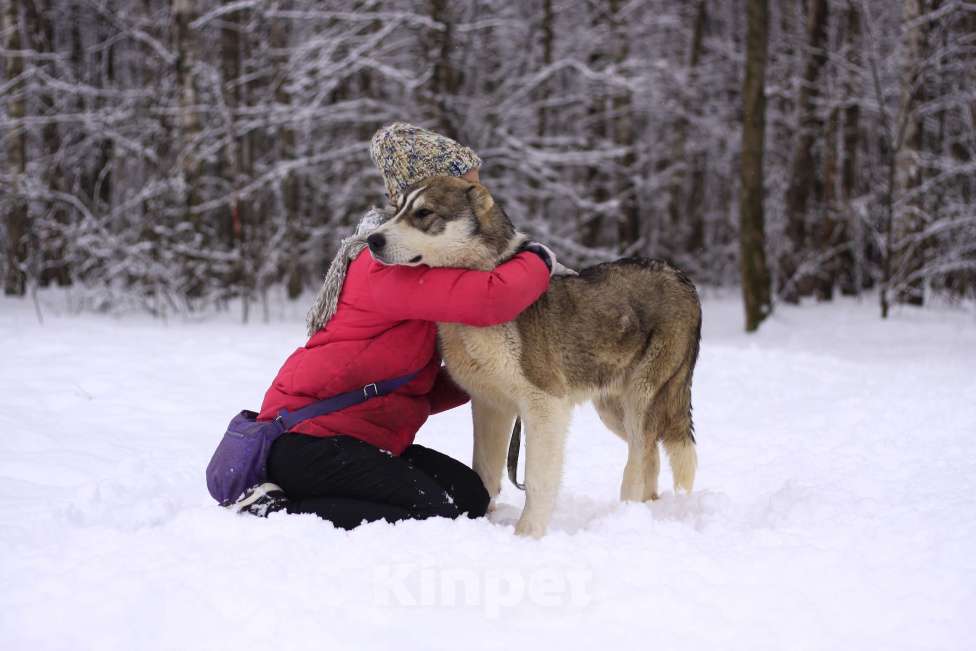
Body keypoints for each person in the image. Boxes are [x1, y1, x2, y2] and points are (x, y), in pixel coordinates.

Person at [232, 123, 570, 529]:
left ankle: (327, 492)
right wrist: (539, 258)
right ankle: (275, 510)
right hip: (308, 440)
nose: (484, 205)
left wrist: (493, 377)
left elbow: (424, 384)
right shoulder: (382, 268)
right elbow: (492, 299)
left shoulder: (423, 263)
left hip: (366, 437)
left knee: (469, 498)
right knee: (436, 511)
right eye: (468, 189)